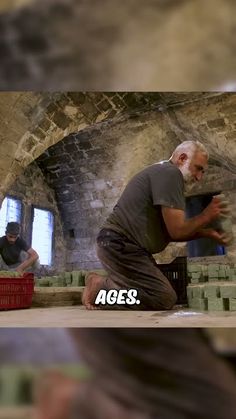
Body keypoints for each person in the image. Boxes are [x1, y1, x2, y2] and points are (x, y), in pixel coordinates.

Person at [83, 140, 230, 310]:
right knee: (162, 298)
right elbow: (177, 232)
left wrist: (207, 233)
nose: (199, 177)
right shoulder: (170, 174)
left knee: (160, 291)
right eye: (198, 168)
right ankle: (100, 289)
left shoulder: (165, 174)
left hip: (128, 247)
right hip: (118, 244)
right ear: (182, 158)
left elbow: (172, 231)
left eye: (203, 172)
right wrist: (206, 215)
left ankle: (111, 284)